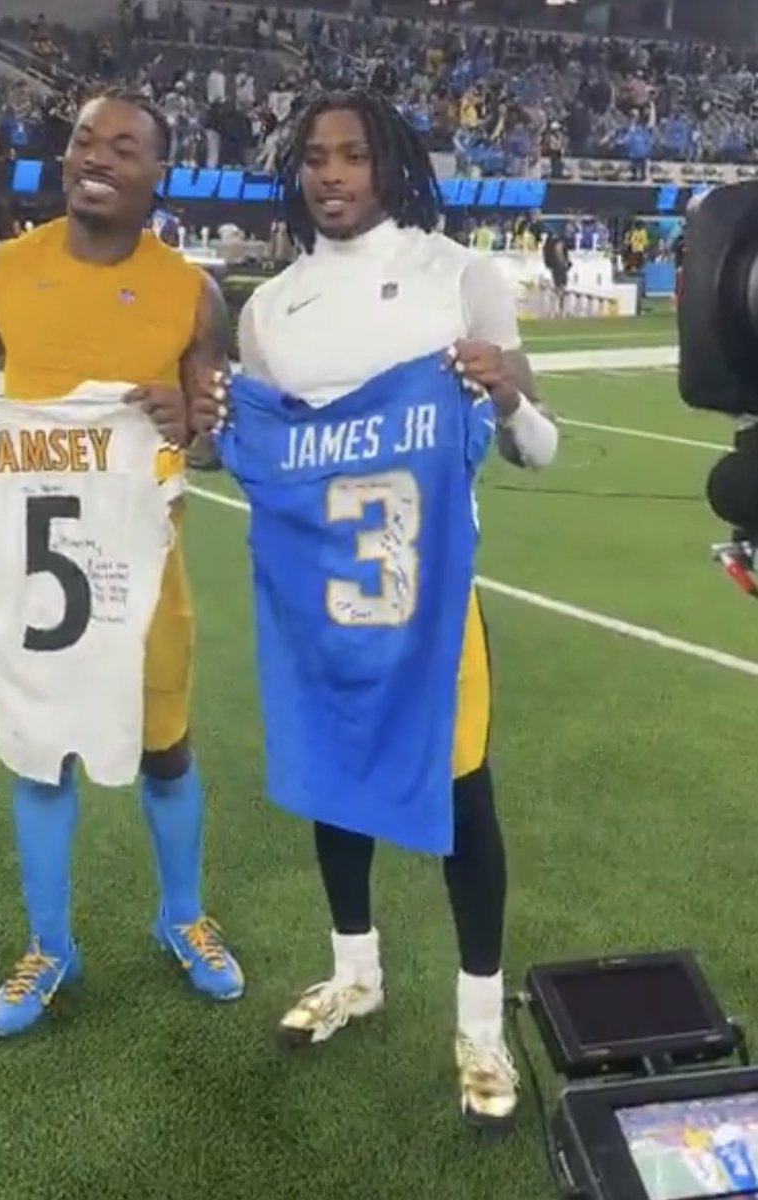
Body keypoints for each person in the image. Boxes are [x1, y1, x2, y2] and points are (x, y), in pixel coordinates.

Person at [0, 89, 244, 1037]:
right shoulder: (6, 269)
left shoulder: (194, 292)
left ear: (157, 174)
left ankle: (183, 918)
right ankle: (50, 945)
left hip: (146, 575)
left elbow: (213, 440)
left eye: (124, 146)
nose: (99, 157)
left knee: (166, 750)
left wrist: (188, 421)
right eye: (86, 139)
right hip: (32, 574)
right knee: (39, 756)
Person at [235, 90, 558, 1127]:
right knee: (335, 789)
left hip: (429, 601)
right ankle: (356, 973)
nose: (330, 175)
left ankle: (477, 1028)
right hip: (316, 600)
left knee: (462, 801)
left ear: (388, 166)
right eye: (314, 158)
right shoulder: (267, 307)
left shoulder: (456, 275)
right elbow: (252, 456)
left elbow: (536, 446)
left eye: (352, 156)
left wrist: (508, 391)